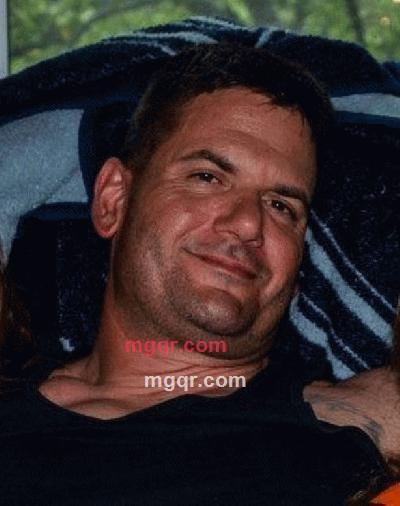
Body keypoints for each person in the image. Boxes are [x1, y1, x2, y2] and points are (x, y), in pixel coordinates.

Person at [0, 43, 398, 505]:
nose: (249, 224)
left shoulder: (351, 418)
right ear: (113, 200)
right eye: (208, 177)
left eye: (281, 206)